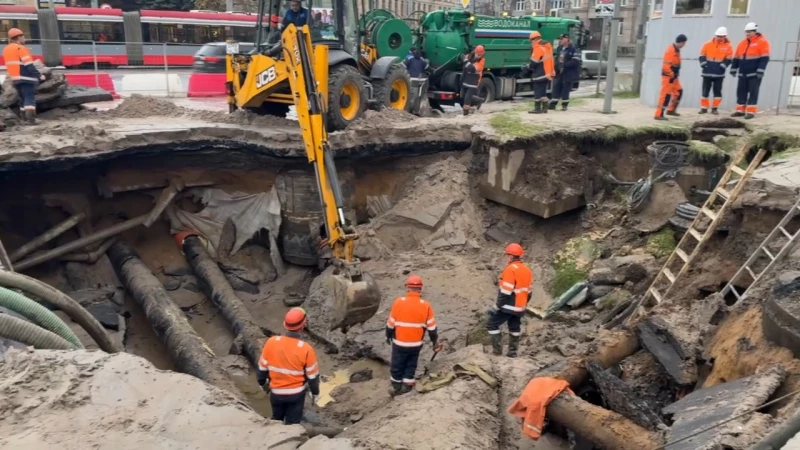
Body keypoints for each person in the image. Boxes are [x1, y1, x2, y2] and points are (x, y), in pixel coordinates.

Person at [257, 307, 320, 425]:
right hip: (296, 396)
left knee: (276, 420)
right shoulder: (306, 349)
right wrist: (315, 393)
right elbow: (313, 377)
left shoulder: (271, 342)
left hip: (276, 393)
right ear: (302, 326)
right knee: (293, 424)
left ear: (285, 325)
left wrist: (262, 383)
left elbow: (261, 369)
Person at [386, 275, 441, 396]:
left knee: (397, 363)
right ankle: (407, 385)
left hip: (400, 343)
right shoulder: (426, 305)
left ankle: (396, 386)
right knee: (411, 363)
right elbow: (432, 329)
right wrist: (434, 343)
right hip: (416, 344)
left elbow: (390, 324)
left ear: (407, 288)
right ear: (420, 289)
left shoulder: (398, 302)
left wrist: (388, 335)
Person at [487, 243, 533, 358]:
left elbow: (505, 292)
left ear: (510, 256)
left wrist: (496, 307)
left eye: (507, 255)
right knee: (514, 328)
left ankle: (497, 352)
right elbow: (529, 292)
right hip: (520, 306)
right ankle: (512, 353)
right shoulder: (526, 270)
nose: (506, 257)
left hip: (508, 306)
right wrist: (523, 304)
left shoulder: (509, 270)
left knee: (492, 324)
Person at [2, 28, 45, 125]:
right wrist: (39, 75)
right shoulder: (21, 48)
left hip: (15, 79)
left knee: (23, 98)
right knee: (29, 98)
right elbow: (29, 65)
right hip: (26, 78)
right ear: (19, 37)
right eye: (23, 37)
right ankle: (31, 120)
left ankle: (23, 119)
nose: (24, 39)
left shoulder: (7, 49)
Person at [730, 22, 770, 120]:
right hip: (743, 72)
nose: (747, 34)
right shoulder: (742, 43)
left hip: (754, 73)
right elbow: (736, 57)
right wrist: (734, 68)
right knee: (741, 91)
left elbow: (764, 58)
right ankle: (740, 110)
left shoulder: (762, 42)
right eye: (746, 32)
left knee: (753, 92)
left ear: (755, 31)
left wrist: (760, 70)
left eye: (749, 32)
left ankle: (751, 111)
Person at [698, 27, 733, 115]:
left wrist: (722, 66)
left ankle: (714, 108)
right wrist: (703, 64)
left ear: (725, 36)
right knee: (705, 91)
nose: (719, 38)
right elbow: (702, 55)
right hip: (707, 72)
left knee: (717, 91)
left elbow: (728, 59)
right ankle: (704, 108)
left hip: (719, 74)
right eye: (718, 36)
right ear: (715, 35)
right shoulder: (707, 44)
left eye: (721, 36)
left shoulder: (728, 46)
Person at [654, 34, 687, 121]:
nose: (684, 45)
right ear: (681, 42)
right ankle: (658, 114)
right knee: (665, 95)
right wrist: (671, 74)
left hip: (674, 76)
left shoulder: (676, 50)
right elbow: (666, 66)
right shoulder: (671, 50)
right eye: (684, 43)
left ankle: (671, 110)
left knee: (679, 91)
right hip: (668, 77)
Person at [549, 33, 581, 111]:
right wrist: (556, 67)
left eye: (562, 39)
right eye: (560, 39)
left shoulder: (573, 49)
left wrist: (565, 65)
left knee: (565, 88)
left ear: (567, 39)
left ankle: (564, 105)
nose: (561, 40)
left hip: (568, 72)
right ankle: (553, 104)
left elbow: (575, 61)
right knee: (556, 87)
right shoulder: (559, 48)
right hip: (559, 72)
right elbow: (556, 58)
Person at [527, 31, 555, 114]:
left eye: (531, 40)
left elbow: (533, 63)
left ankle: (537, 108)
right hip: (546, 73)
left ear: (535, 39)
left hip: (539, 73)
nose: (531, 42)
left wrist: (527, 67)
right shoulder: (547, 47)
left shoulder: (538, 48)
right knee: (543, 92)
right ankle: (545, 108)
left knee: (538, 91)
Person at [461, 45, 486, 116]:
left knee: (467, 100)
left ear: (483, 54)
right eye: (477, 54)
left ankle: (465, 115)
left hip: (473, 82)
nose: (478, 56)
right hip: (466, 80)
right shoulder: (469, 56)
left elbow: (472, 69)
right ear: (475, 52)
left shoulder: (482, 61)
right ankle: (479, 100)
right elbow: (465, 66)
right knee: (462, 96)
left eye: (480, 55)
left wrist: (465, 61)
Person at [404, 47, 430, 114]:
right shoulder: (421, 60)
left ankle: (409, 110)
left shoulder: (409, 58)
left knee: (410, 94)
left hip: (410, 79)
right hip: (419, 79)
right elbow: (427, 66)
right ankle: (417, 109)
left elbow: (403, 65)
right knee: (418, 95)